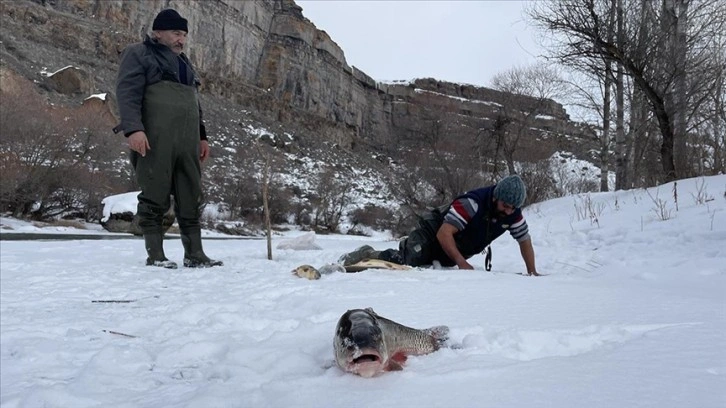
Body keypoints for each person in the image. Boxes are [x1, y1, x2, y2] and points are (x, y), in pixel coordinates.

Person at [114, 9, 222, 269]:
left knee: (191, 194)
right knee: (154, 193)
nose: (181, 40)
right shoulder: (138, 53)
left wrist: (202, 137)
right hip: (155, 138)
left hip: (187, 141)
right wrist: (133, 130)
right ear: (158, 32)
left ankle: (195, 254)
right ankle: (156, 255)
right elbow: (127, 92)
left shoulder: (185, 63)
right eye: (176, 33)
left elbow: (194, 104)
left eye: (184, 34)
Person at [340, 175, 539, 275]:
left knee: (435, 268)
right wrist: (462, 263)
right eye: (505, 206)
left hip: (454, 247)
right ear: (496, 197)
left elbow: (525, 241)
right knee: (409, 260)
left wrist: (532, 272)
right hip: (432, 234)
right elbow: (444, 234)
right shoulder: (473, 203)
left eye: (514, 208)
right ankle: (369, 253)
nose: (509, 211)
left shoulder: (513, 214)